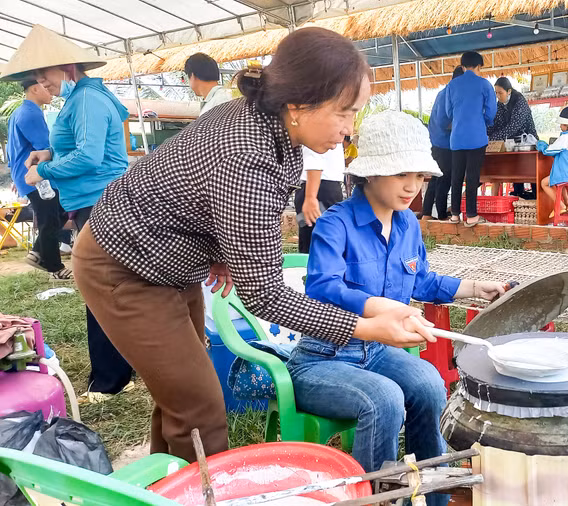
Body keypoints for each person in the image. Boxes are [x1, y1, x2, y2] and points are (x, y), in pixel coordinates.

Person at [68, 27, 431, 463]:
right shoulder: (248, 152)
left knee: (181, 389)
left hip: (172, 257)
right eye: (344, 113)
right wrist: (365, 327)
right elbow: (263, 294)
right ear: (299, 103)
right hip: (125, 263)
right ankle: (201, 490)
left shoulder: (280, 131)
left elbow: (213, 197)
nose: (349, 130)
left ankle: (168, 486)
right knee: (199, 405)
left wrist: (223, 252)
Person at [290, 110, 506, 506]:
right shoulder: (335, 223)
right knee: (385, 398)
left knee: (429, 383)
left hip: (378, 353)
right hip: (324, 358)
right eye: (402, 174)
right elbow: (322, 286)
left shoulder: (407, 223)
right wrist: (384, 307)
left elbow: (421, 280)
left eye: (421, 177)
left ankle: (435, 496)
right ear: (370, 173)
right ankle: (380, 499)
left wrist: (476, 288)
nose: (413, 187)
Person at [2, 25, 135, 402]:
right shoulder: (82, 98)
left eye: (44, 75)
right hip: (94, 201)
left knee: (100, 287)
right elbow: (80, 147)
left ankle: (110, 380)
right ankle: (122, 367)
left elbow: (91, 156)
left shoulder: (88, 100)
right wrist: (48, 155)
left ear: (67, 67)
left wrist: (40, 170)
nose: (42, 82)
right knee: (109, 286)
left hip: (101, 201)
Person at [5, 79, 71, 280]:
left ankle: (37, 252)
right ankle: (54, 267)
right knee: (50, 218)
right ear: (34, 88)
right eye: (45, 86)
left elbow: (12, 150)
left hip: (24, 173)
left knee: (56, 214)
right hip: (35, 174)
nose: (51, 90)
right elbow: (45, 147)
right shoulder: (31, 113)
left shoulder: (19, 112)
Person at [444, 51, 496, 227]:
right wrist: (484, 121)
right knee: (472, 177)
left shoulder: (452, 85)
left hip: (457, 138)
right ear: (479, 66)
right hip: (476, 138)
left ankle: (455, 215)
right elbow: (491, 112)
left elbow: (448, 112)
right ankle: (472, 216)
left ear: (463, 66)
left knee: (456, 176)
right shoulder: (484, 84)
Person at [421, 66, 464, 220]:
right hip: (445, 143)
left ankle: (427, 213)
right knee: (445, 179)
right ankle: (440, 215)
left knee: (436, 178)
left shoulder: (443, 92)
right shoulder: (451, 94)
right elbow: (445, 122)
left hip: (435, 141)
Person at [488, 76, 538, 198]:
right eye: (496, 93)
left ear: (509, 91)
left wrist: (492, 138)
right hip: (511, 144)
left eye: (500, 93)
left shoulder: (520, 102)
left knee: (532, 171)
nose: (498, 96)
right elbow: (496, 123)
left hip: (527, 142)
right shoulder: (499, 105)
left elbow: (513, 127)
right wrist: (486, 134)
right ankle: (518, 194)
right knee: (515, 170)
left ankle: (535, 196)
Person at [294, 144, 345, 253]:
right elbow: (315, 154)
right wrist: (310, 196)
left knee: (318, 243)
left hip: (320, 187)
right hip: (321, 188)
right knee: (318, 244)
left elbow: (315, 154)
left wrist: (310, 196)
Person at [538, 107, 568, 218]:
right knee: (559, 182)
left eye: (562, 124)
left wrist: (542, 146)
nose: (560, 126)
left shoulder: (565, 137)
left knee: (544, 183)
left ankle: (560, 206)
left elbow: (549, 151)